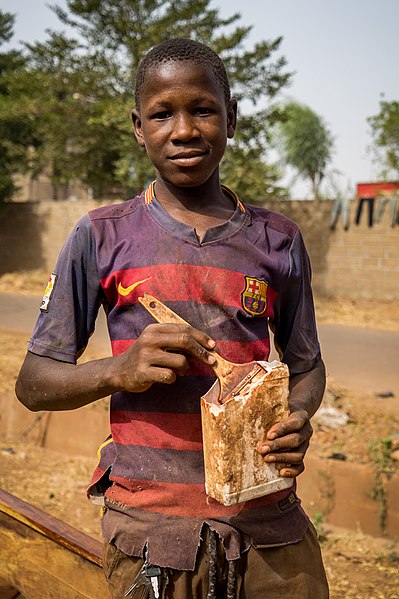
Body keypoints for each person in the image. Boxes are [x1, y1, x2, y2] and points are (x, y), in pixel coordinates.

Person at [16, 38, 329, 598]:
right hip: (151, 532)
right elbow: (34, 384)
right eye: (162, 114)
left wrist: (297, 417)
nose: (183, 130)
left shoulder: (277, 240)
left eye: (203, 109)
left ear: (230, 118)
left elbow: (307, 366)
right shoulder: (102, 236)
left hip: (269, 530)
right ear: (139, 127)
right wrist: (119, 370)